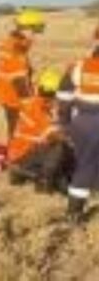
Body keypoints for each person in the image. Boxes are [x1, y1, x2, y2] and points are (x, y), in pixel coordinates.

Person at [57, 25, 99, 223]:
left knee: (85, 165)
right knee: (87, 168)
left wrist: (65, 124)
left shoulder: (79, 66)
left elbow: (64, 97)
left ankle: (74, 214)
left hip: (81, 122)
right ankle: (74, 216)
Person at [8, 68, 73, 192]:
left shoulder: (36, 103)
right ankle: (43, 181)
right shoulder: (41, 110)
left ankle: (20, 173)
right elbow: (54, 137)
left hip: (22, 154)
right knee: (60, 148)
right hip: (23, 156)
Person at [0, 9, 45, 140]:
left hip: (6, 95)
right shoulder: (16, 50)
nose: (35, 36)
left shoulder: (9, 42)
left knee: (14, 129)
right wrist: (33, 107)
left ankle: (14, 154)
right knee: (20, 132)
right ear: (25, 29)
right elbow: (19, 83)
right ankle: (16, 157)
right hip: (13, 98)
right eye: (34, 31)